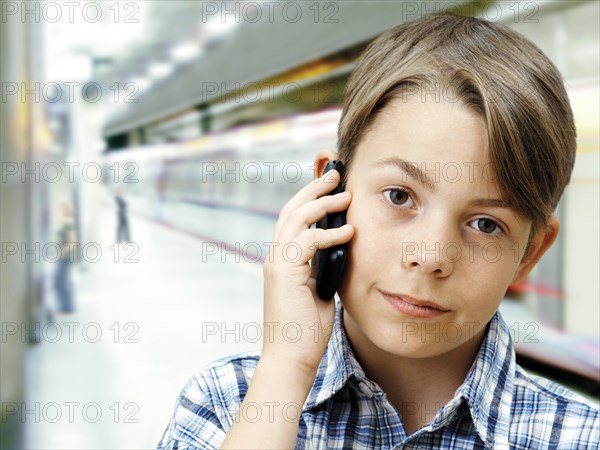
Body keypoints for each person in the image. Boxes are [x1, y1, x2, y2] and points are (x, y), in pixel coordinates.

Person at [158, 14, 599, 449]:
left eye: (485, 224)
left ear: (530, 252)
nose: (431, 256)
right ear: (327, 192)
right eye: (399, 196)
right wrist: (286, 366)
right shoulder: (222, 403)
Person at [54, 203, 78, 314]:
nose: (59, 212)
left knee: (60, 282)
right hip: (63, 257)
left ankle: (66, 307)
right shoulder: (64, 223)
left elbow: (72, 242)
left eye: (61, 209)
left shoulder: (69, 223)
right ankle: (66, 307)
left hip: (65, 257)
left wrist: (61, 253)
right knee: (63, 281)